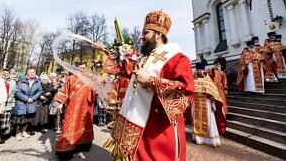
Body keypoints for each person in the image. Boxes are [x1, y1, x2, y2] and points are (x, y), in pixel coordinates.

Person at [104, 10, 194, 161]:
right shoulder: (143, 58)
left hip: (157, 131)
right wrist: (115, 54)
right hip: (137, 125)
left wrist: (151, 81)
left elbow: (185, 91)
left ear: (158, 34)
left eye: (146, 32)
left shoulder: (177, 58)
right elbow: (128, 70)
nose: (141, 37)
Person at [54, 63, 95, 158]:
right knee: (70, 125)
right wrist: (60, 103)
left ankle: (84, 145)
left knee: (85, 126)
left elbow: (98, 89)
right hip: (73, 107)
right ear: (76, 68)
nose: (83, 69)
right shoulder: (70, 78)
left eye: (85, 68)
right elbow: (64, 91)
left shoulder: (90, 79)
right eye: (81, 67)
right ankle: (66, 150)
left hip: (86, 107)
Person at [192, 63, 226, 147]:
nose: (199, 71)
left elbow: (212, 93)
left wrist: (213, 103)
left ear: (203, 70)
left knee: (209, 121)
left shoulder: (208, 80)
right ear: (196, 70)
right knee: (196, 121)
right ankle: (198, 138)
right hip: (195, 103)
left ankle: (210, 139)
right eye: (198, 70)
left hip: (206, 103)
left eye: (201, 70)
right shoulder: (192, 80)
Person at [13, 67, 42, 141]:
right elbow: (17, 92)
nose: (32, 73)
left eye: (34, 72)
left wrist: (33, 98)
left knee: (28, 119)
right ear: (27, 73)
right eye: (30, 72)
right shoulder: (21, 81)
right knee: (19, 120)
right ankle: (18, 133)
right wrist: (26, 98)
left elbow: (39, 91)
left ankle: (24, 132)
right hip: (21, 103)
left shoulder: (37, 82)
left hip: (31, 103)